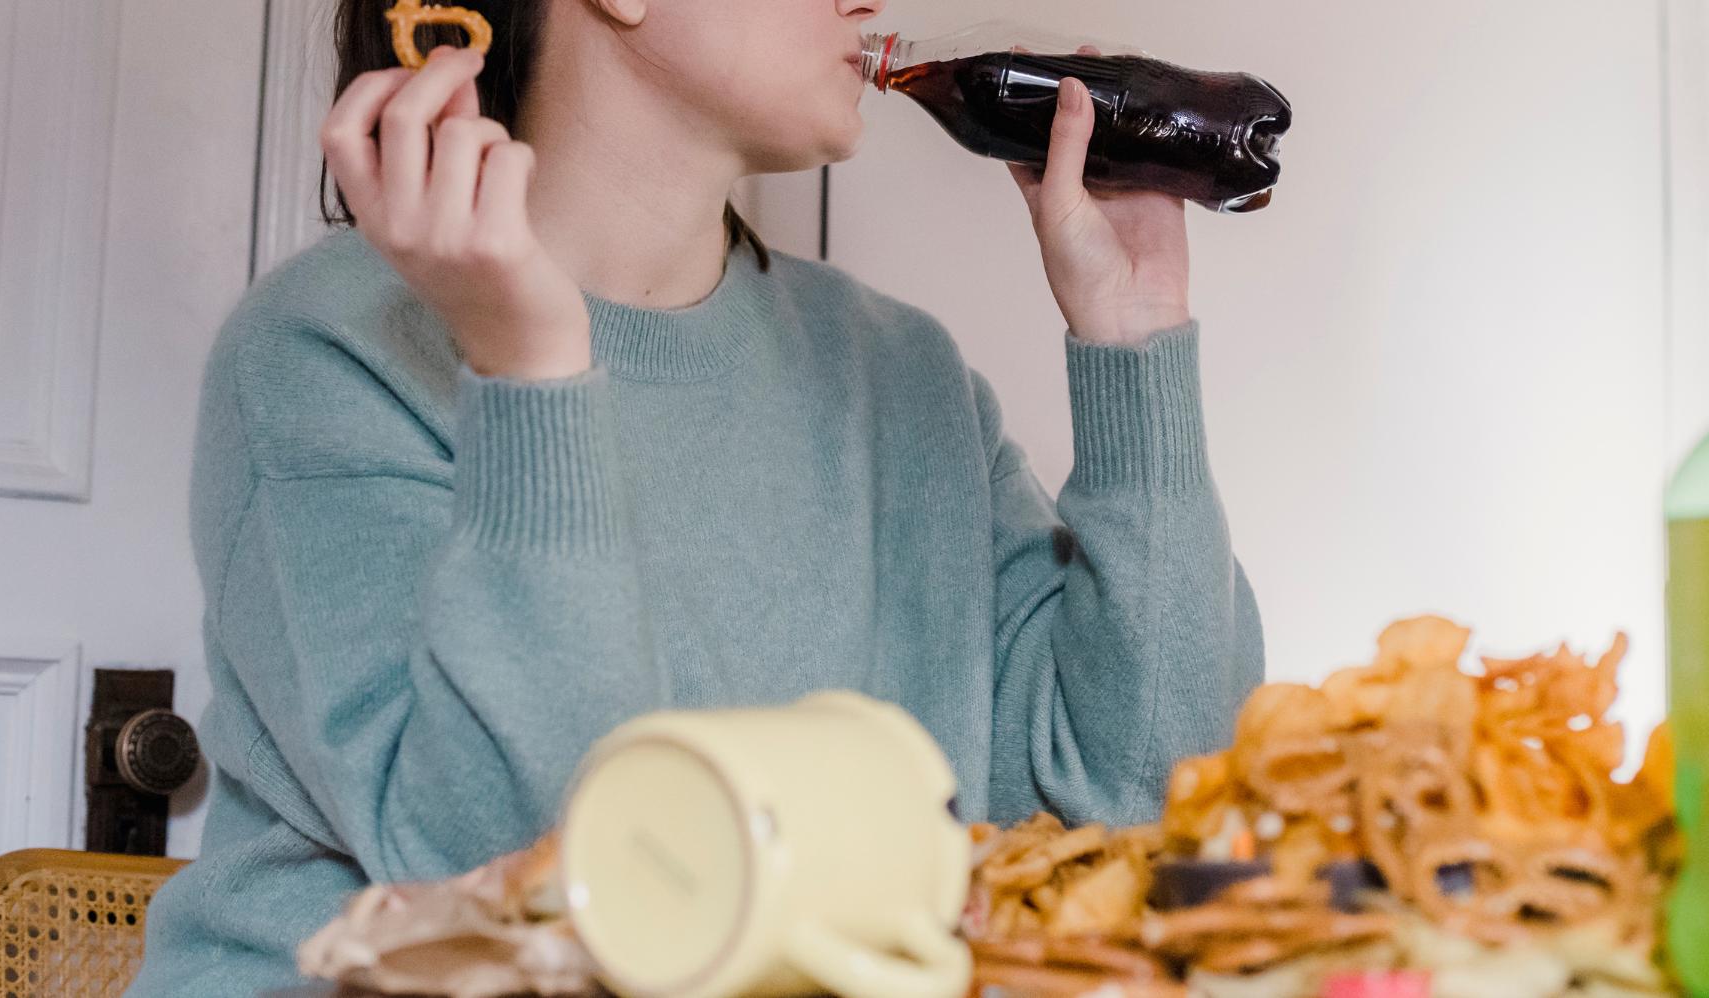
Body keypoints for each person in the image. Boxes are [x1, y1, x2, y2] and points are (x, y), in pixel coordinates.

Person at [127, 0, 1263, 992]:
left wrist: (1136, 340)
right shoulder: (331, 349)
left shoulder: (899, 374)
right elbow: (529, 876)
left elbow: (1143, 798)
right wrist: (530, 372)